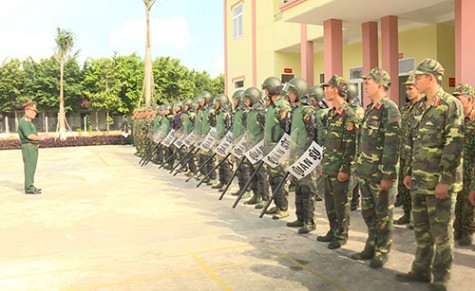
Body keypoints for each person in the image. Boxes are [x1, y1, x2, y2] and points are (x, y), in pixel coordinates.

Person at [395, 59, 463, 291]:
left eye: (418, 77)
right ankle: (421, 270)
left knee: (442, 233)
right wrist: (408, 172)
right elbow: (412, 143)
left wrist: (445, 180)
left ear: (430, 78)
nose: (414, 81)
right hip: (419, 181)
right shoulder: (419, 106)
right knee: (422, 231)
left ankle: (441, 278)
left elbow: (453, 144)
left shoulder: (450, 105)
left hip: (439, 184)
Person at [352, 67, 401, 269]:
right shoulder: (371, 109)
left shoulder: (390, 109)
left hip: (380, 175)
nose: (365, 87)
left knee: (383, 216)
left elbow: (392, 145)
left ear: (379, 85)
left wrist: (388, 175)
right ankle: (370, 246)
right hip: (366, 172)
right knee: (369, 214)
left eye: (368, 83)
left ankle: (382, 251)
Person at [317, 75, 358, 249]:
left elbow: (351, 146)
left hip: (340, 169)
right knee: (330, 203)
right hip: (329, 167)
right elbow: (328, 142)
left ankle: (341, 235)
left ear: (336, 90)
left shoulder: (349, 115)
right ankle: (333, 230)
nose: (325, 91)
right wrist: (323, 163)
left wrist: (345, 169)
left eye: (327, 87)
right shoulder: (332, 114)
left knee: (341, 205)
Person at [284, 77, 318, 234]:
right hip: (295, 156)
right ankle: (300, 217)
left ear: (299, 93)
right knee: (298, 187)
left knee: (307, 189)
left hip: (305, 158)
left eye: (291, 92)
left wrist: (308, 156)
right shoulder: (295, 110)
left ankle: (309, 221)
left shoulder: (307, 111)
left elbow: (313, 135)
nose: (289, 95)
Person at [262, 77, 292, 219]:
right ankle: (277, 204)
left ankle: (284, 207)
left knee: (279, 178)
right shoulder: (272, 107)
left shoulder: (283, 107)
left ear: (272, 90)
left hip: (279, 149)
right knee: (272, 178)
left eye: (266, 89)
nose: (265, 92)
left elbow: (287, 130)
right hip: (270, 148)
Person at [395, 74, 423, 226]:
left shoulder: (423, 107)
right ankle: (407, 213)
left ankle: (416, 218)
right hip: (403, 152)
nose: (407, 91)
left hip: (415, 154)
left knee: (414, 187)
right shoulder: (405, 108)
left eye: (410, 88)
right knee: (403, 186)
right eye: (406, 88)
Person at [452, 83, 475, 247]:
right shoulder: (456, 120)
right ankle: (458, 228)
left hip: (471, 169)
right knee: (458, 200)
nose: (456, 101)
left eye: (459, 98)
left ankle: (467, 231)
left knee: (469, 202)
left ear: (470, 99)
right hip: (457, 169)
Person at [17, 102, 49, 194]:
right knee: (29, 168)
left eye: (35, 112)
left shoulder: (30, 122)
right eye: (32, 111)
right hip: (29, 147)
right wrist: (41, 137)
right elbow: (29, 136)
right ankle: (29, 188)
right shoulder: (24, 122)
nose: (34, 113)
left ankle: (30, 185)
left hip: (32, 148)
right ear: (26, 111)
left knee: (32, 168)